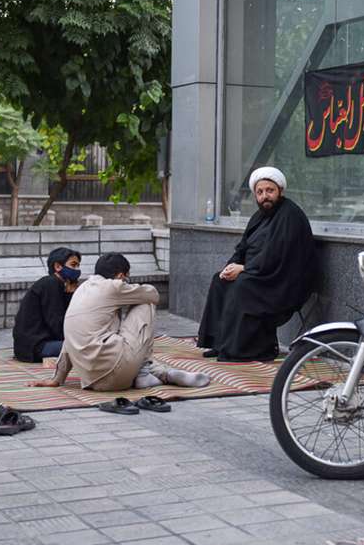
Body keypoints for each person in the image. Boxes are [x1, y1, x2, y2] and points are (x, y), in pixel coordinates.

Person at [28, 253, 209, 391]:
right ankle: (145, 373)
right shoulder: (113, 286)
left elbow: (70, 340)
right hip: (116, 374)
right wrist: (128, 290)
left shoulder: (82, 289)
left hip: (91, 382)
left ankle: (161, 373)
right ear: (121, 275)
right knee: (145, 303)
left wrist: (57, 379)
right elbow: (152, 293)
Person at [197, 167, 318, 362]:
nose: (265, 196)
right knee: (220, 281)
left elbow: (277, 254)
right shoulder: (258, 217)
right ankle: (221, 344)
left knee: (243, 284)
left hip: (283, 280)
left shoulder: (290, 215)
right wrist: (231, 266)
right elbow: (243, 247)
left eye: (270, 190)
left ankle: (246, 349)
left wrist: (244, 269)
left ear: (280, 191)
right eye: (260, 192)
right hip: (260, 273)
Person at [12, 247, 81, 362]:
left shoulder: (59, 285)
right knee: (86, 347)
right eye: (73, 265)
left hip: (40, 343)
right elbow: (57, 324)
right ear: (58, 266)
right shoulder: (50, 284)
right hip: (35, 346)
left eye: (78, 265)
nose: (77, 270)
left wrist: (70, 294)